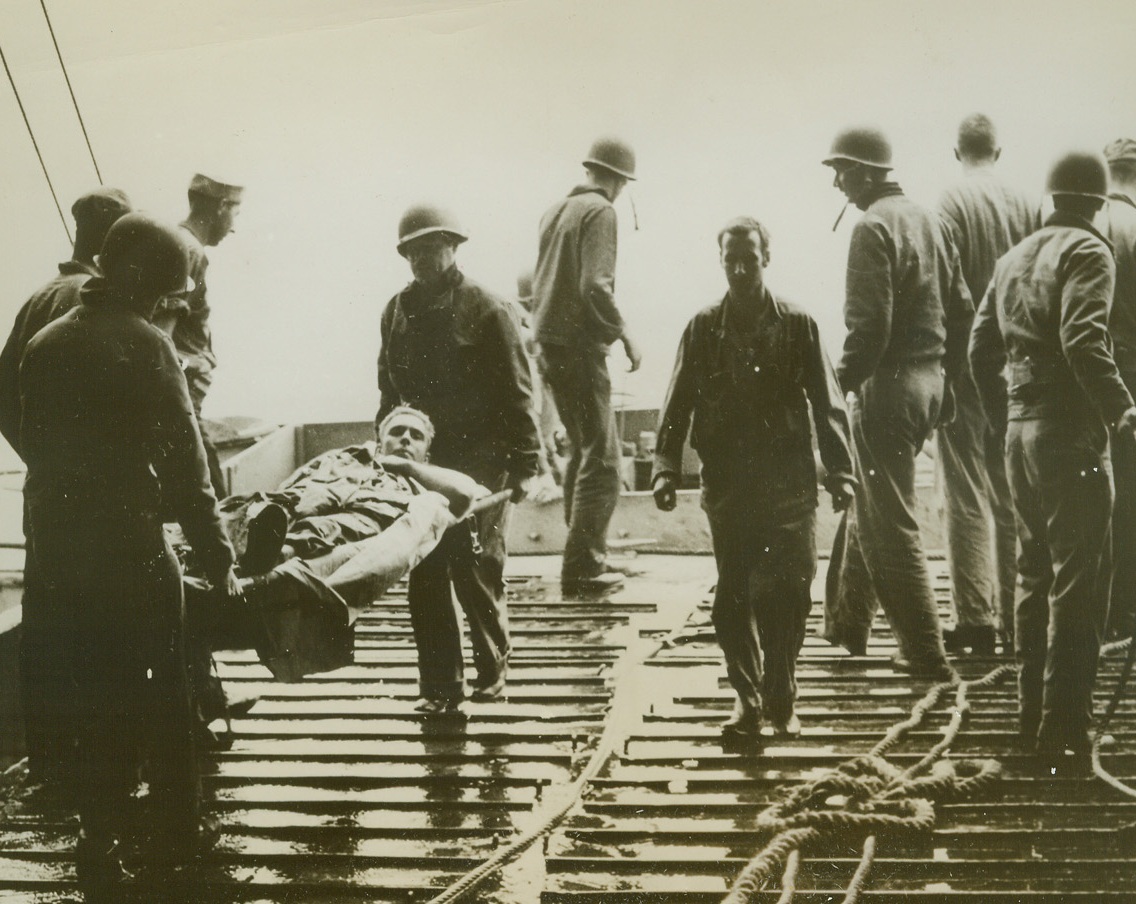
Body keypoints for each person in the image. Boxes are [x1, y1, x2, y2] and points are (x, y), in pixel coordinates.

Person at [19, 213, 242, 891]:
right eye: (165, 296)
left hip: (56, 552)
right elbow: (189, 468)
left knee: (89, 693)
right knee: (166, 686)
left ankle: (99, 837)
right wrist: (220, 559)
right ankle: (180, 828)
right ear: (139, 280)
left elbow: (35, 440)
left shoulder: (46, 343)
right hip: (130, 550)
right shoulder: (148, 346)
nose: (165, 307)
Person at [652, 217, 855, 743]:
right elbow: (676, 404)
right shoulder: (702, 327)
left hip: (788, 480)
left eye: (751, 259)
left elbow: (828, 404)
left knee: (788, 588)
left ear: (768, 258)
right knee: (735, 595)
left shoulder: (799, 324)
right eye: (730, 260)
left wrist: (841, 472)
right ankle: (746, 697)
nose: (741, 269)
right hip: (728, 482)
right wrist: (665, 469)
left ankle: (781, 694)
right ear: (721, 262)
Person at [970, 151, 1136, 775]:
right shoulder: (1091, 254)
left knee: (1034, 573)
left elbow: (980, 345)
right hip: (1071, 438)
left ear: (1050, 197)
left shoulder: (1013, 257)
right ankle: (1066, 730)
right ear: (1095, 203)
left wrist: (1007, 411)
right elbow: (1083, 339)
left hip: (1020, 433)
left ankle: (1031, 717)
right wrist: (1121, 410)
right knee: (1080, 580)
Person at [821, 126, 972, 681]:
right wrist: (947, 379)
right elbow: (961, 309)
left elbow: (869, 328)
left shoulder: (871, 227)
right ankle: (848, 624)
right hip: (929, 383)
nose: (838, 183)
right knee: (873, 500)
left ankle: (925, 652)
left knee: (891, 525)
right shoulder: (931, 220)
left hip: (887, 387)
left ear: (864, 172)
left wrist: (834, 391)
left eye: (841, 170)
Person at [376, 205, 541, 714]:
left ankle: (492, 671)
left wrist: (526, 462)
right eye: (414, 250)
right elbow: (387, 391)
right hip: (422, 457)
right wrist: (383, 449)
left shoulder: (488, 307)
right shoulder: (395, 311)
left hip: (481, 458)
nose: (423, 258)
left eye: (432, 247)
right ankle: (440, 687)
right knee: (424, 568)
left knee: (475, 565)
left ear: (453, 247)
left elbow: (518, 390)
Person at [0, 187, 131, 789]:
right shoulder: (94, 302)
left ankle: (52, 760)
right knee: (107, 621)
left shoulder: (35, 298)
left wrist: (43, 459)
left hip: (46, 494)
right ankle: (109, 766)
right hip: (97, 499)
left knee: (48, 620)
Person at [936, 114, 1040, 655]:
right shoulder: (1027, 202)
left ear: (958, 151)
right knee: (1012, 490)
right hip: (1016, 362)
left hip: (962, 360)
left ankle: (975, 619)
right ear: (998, 150)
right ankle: (1018, 617)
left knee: (964, 487)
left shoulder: (949, 202)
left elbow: (945, 290)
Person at [532, 137, 643, 595]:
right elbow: (596, 286)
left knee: (581, 452)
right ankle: (585, 566)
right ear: (618, 180)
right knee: (604, 460)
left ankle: (583, 557)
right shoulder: (602, 212)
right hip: (580, 351)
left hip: (552, 350)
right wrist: (626, 334)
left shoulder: (555, 211)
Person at [153, 172, 244, 494]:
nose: (234, 225)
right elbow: (159, 340)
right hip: (179, 403)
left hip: (180, 401)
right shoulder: (189, 251)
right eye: (236, 211)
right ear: (221, 206)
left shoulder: (175, 244)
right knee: (212, 496)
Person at [1102, 138, 1136, 641]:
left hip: (1093, 371)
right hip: (1130, 369)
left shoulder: (1092, 224)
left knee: (1100, 489)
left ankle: (1106, 612)